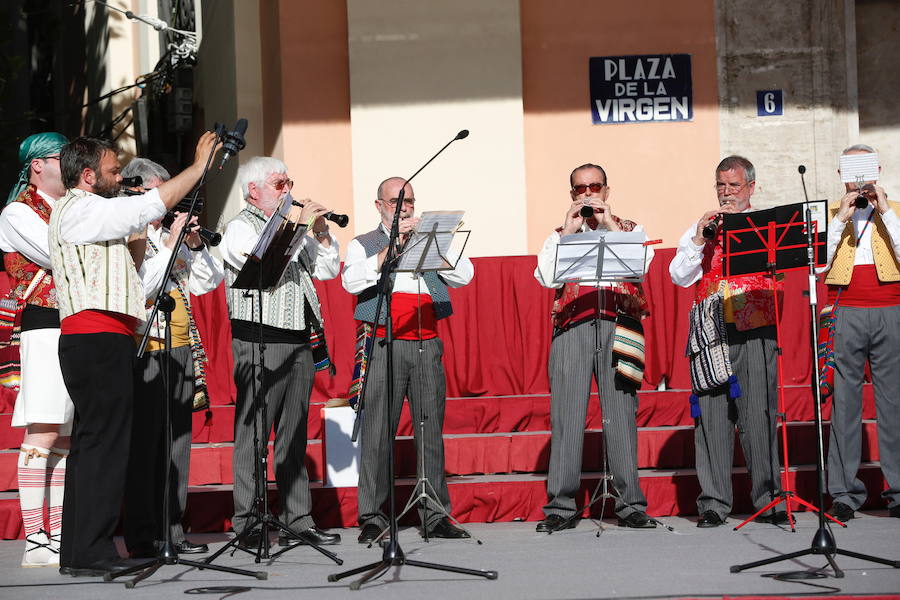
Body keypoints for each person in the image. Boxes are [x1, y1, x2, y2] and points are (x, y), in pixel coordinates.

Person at [48, 132, 220, 577]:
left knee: (93, 447)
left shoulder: (92, 214)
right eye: (111, 171)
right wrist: (198, 168)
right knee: (104, 448)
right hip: (96, 338)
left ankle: (80, 552)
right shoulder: (83, 208)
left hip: (102, 339)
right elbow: (144, 205)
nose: (119, 177)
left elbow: (134, 274)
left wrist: (142, 234)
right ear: (87, 176)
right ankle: (92, 552)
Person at [342, 177, 473, 543]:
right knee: (379, 432)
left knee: (430, 431)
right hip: (385, 342)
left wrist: (434, 245)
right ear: (379, 206)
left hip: (426, 342)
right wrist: (393, 246)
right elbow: (351, 282)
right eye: (397, 201)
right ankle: (372, 515)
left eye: (410, 201)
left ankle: (434, 513)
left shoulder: (429, 237)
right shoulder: (364, 243)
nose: (406, 208)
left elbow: (465, 275)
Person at [219, 156, 341, 549]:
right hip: (258, 338)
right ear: (254, 190)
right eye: (279, 183)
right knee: (253, 432)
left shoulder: (298, 228)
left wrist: (320, 232)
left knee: (294, 433)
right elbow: (260, 262)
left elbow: (327, 271)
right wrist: (301, 223)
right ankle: (248, 522)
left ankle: (299, 518)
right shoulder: (239, 227)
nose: (288, 190)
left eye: (289, 182)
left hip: (298, 339)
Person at [533, 163, 656, 532]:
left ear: (606, 190)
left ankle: (629, 503)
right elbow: (547, 277)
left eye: (594, 187)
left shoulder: (630, 229)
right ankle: (561, 505)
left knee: (620, 414)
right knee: (568, 415)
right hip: (573, 326)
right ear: (572, 194)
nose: (587, 194)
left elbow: (643, 266)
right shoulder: (558, 235)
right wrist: (568, 232)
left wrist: (609, 228)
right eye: (579, 189)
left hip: (620, 324)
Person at [669, 155, 785, 527]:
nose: (726, 192)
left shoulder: (767, 225)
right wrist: (698, 238)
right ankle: (715, 503)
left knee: (759, 414)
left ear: (751, 186)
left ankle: (768, 499)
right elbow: (679, 275)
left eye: (734, 186)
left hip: (754, 325)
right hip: (711, 330)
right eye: (721, 185)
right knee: (713, 418)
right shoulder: (703, 226)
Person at [119, 158, 223, 557]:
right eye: (164, 192)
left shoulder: (165, 232)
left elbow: (205, 283)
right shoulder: (131, 232)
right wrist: (166, 246)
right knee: (146, 447)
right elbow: (138, 286)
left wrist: (192, 247)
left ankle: (174, 529)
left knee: (179, 444)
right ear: (143, 191)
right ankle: (144, 535)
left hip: (180, 349)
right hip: (146, 349)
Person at [0, 132, 73, 567]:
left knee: (64, 435)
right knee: (43, 432)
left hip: (72, 327)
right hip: (43, 327)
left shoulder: (68, 208)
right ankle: (35, 538)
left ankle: (60, 532)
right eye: (59, 159)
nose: (67, 166)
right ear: (37, 166)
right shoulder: (16, 211)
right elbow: (56, 252)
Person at [822, 144, 900, 522]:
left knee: (894, 403)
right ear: (841, 175)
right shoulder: (832, 216)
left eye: (865, 170)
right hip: (848, 310)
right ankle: (844, 492)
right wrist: (839, 219)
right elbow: (819, 262)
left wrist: (884, 209)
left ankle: (898, 491)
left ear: (878, 170)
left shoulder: (894, 211)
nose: (858, 179)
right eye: (851, 171)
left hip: (891, 309)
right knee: (845, 405)